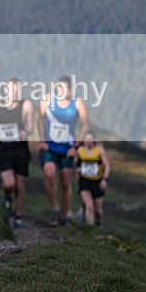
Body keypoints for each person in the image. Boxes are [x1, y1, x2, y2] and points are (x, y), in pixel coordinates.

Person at [38, 76, 90, 226]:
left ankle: (64, 216)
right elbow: (40, 119)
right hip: (49, 146)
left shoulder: (77, 103)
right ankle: (55, 208)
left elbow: (86, 124)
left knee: (65, 182)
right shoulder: (47, 99)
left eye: (66, 88)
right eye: (59, 88)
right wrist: (42, 140)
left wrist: (75, 146)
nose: (62, 91)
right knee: (49, 174)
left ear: (70, 90)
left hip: (67, 149)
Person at [0, 77, 34, 228]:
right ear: (5, 90)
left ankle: (18, 217)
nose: (13, 93)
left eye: (16, 90)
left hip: (20, 149)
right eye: (11, 90)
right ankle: (7, 196)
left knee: (20, 185)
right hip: (3, 148)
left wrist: (26, 132)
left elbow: (31, 126)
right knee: (9, 183)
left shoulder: (26, 105)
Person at [74, 132, 110, 226]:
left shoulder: (99, 150)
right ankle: (89, 229)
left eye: (90, 139)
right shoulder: (80, 151)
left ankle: (97, 223)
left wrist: (104, 179)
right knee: (89, 206)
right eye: (86, 139)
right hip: (84, 181)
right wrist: (77, 173)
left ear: (94, 140)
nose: (88, 141)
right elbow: (76, 163)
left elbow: (107, 166)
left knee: (98, 210)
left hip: (97, 182)